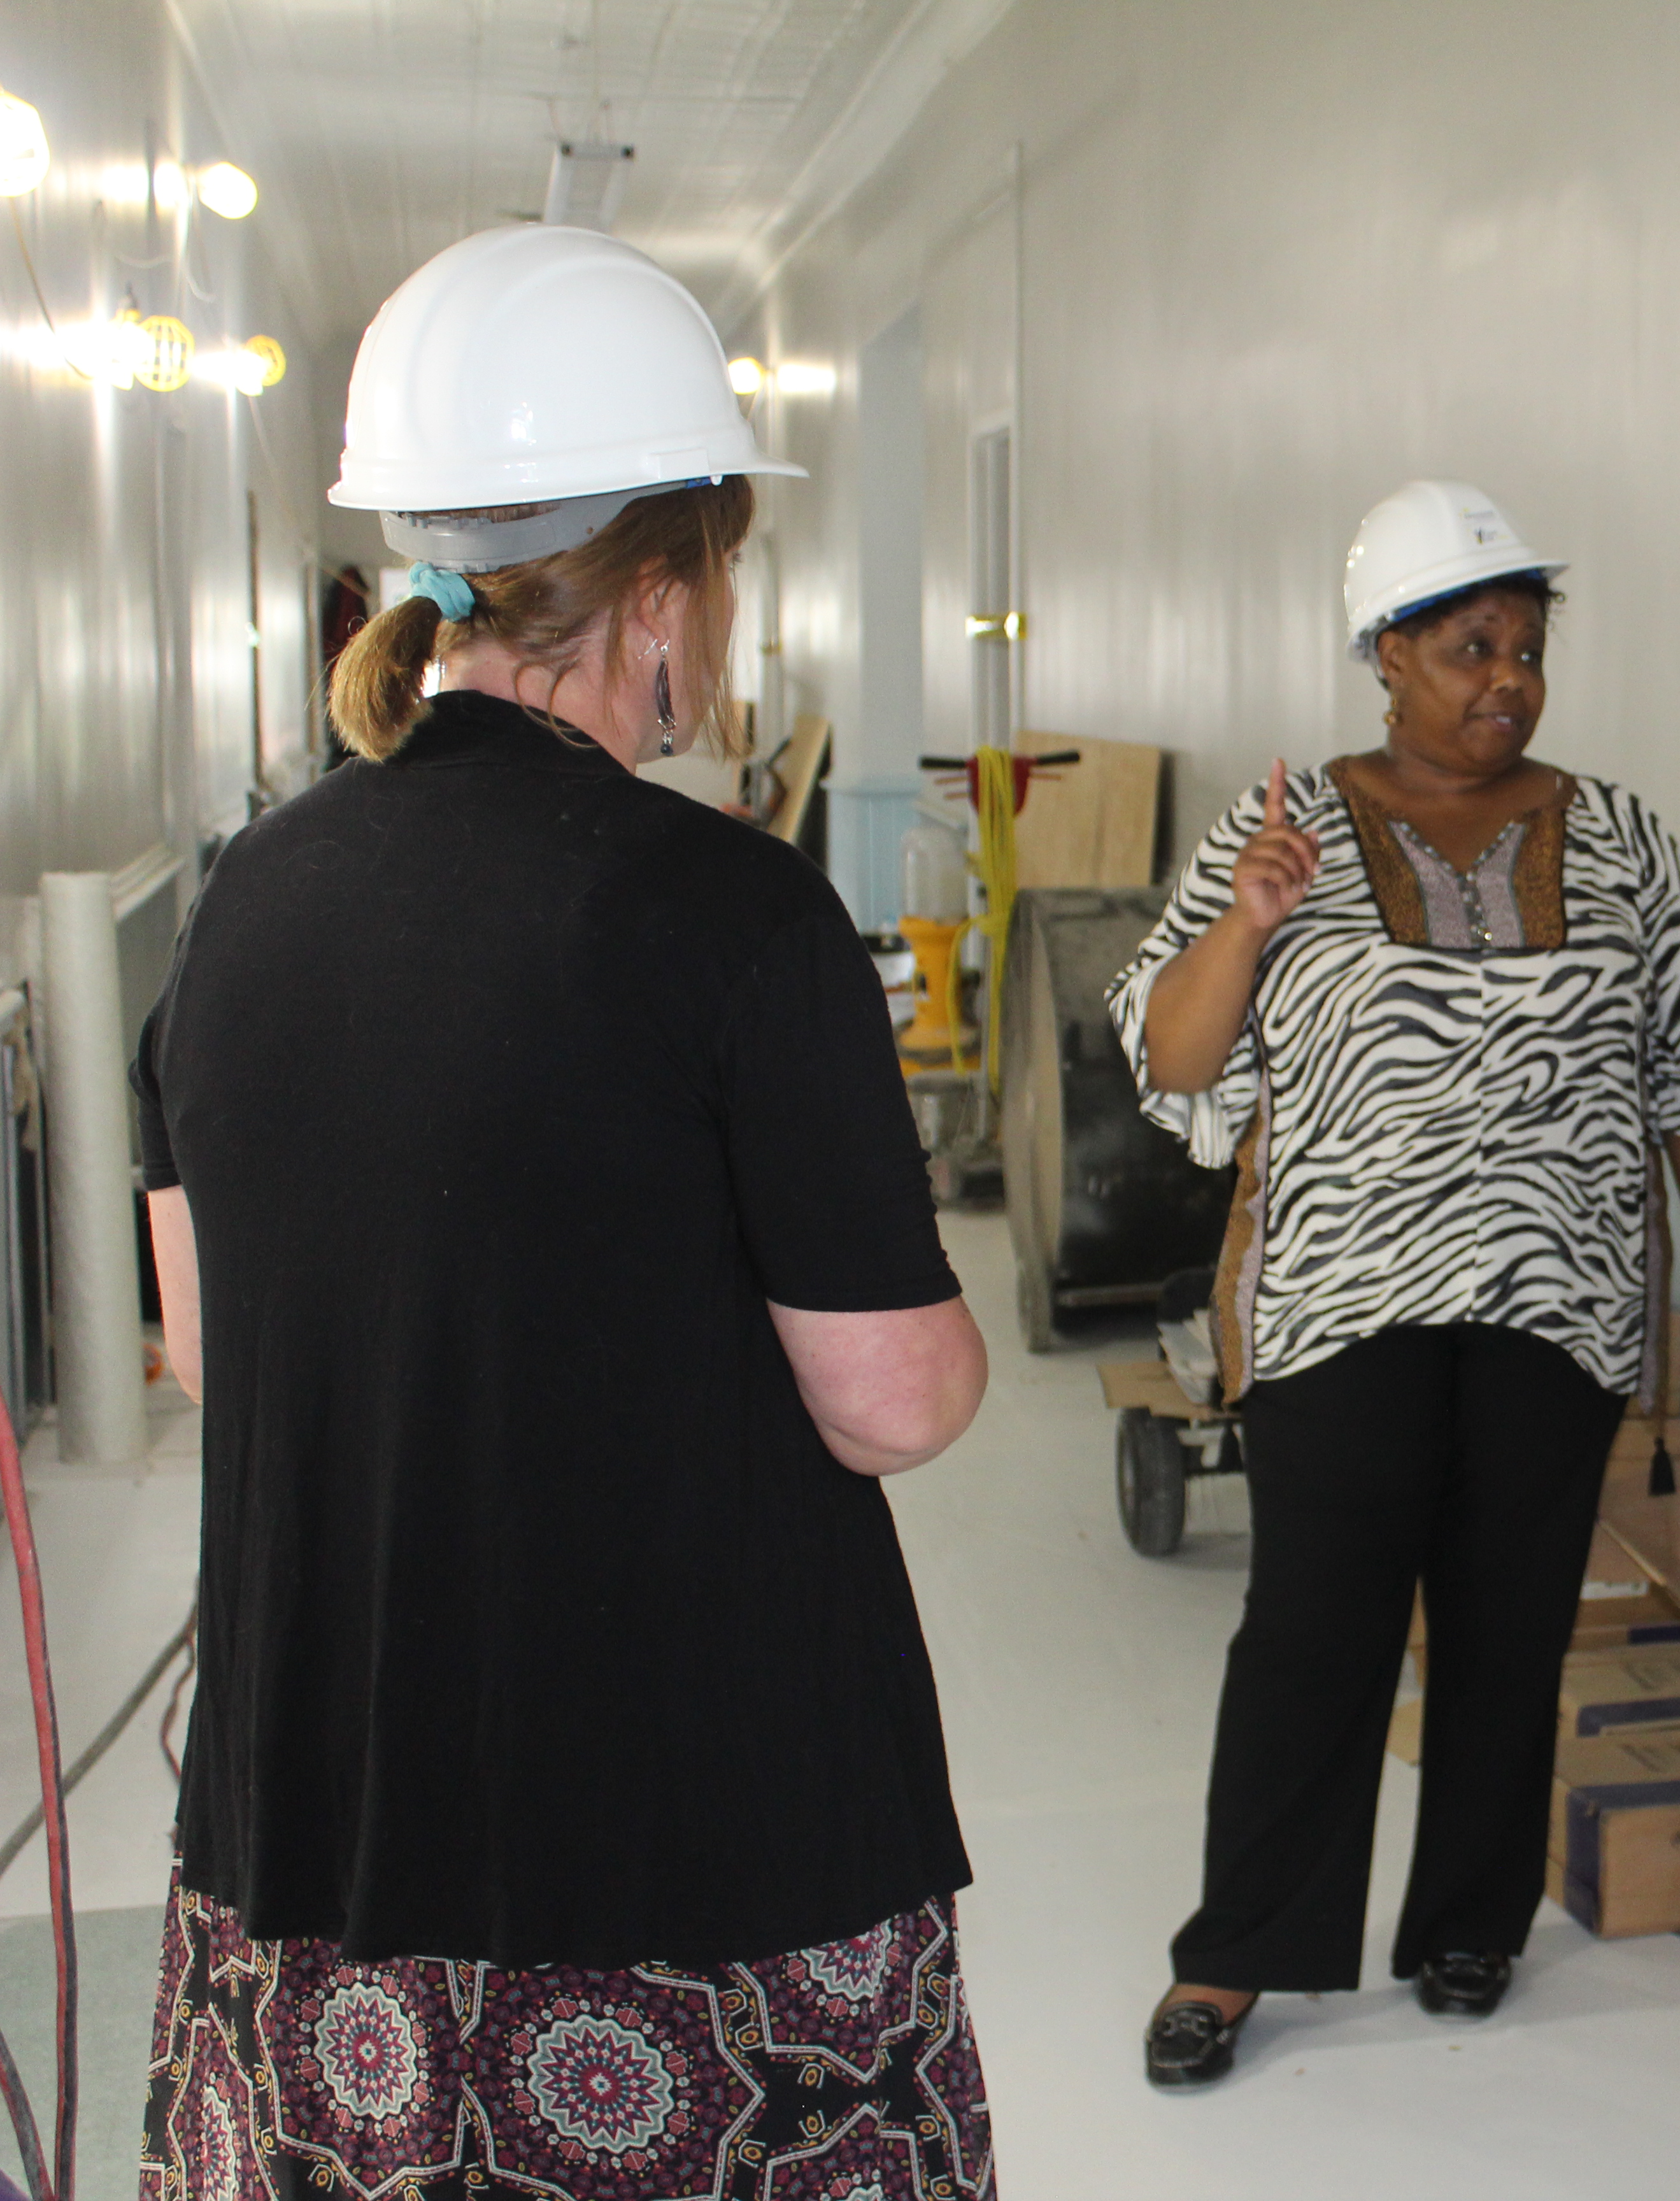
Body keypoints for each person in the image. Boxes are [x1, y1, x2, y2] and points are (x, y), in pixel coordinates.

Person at [134, 225, 995, 2196]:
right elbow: (890, 1400)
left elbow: (201, 1338)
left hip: (324, 1829)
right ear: (668, 596)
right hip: (685, 1851)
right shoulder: (732, 914)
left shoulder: (243, 906)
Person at [1115, 479, 1680, 2090]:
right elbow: (1172, 1055)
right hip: (1342, 1308)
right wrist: (1252, 924)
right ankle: (1237, 1956)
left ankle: (1470, 1917)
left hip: (1555, 1316)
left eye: (1527, 649)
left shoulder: (1623, 842)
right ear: (1387, 655)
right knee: (1312, 1631)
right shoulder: (1278, 833)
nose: (1507, 679)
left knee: (1509, 1626)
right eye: (1472, 645)